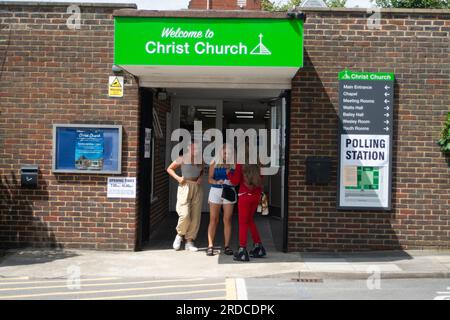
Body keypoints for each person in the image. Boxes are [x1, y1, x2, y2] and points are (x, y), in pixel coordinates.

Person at [166, 143, 203, 252]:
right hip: (185, 185)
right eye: (194, 147)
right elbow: (169, 169)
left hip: (196, 187)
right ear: (188, 148)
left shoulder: (199, 159)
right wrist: (178, 178)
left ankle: (189, 241)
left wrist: (200, 177)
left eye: (197, 148)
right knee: (185, 214)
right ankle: (180, 234)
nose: (196, 149)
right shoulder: (182, 158)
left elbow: (201, 171)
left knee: (195, 216)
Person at [227, 160, 266, 262]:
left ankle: (242, 250)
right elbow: (261, 179)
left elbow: (235, 181)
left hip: (244, 195)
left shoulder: (241, 164)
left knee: (243, 223)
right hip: (256, 195)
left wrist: (229, 173)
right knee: (249, 220)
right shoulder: (258, 163)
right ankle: (258, 246)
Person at [206, 144, 236, 257]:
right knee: (213, 219)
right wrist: (216, 182)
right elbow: (209, 178)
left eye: (228, 153)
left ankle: (227, 246)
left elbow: (237, 180)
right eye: (224, 152)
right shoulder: (214, 162)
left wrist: (232, 181)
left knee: (227, 219)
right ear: (220, 153)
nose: (226, 155)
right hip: (216, 191)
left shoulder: (234, 164)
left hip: (229, 191)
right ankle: (210, 246)